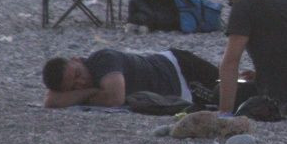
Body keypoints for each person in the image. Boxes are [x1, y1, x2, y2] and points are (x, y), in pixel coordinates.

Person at [41, 47, 218, 108]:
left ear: (76, 59)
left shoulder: (103, 59)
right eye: (74, 87)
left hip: (179, 68)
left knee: (236, 91)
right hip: (179, 92)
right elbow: (50, 100)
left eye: (78, 75)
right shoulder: (87, 85)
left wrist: (85, 94)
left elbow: (114, 98)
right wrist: (92, 92)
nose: (81, 82)